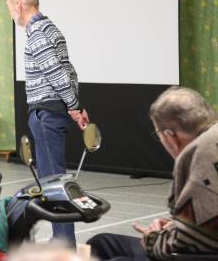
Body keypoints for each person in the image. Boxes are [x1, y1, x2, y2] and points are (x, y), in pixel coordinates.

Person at [88, 86, 218, 260]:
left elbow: (195, 242)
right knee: (103, 243)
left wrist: (153, 238)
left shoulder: (197, 155)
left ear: (170, 136)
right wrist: (175, 225)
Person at [6, 0, 89, 245]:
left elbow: (57, 74)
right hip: (53, 111)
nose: (11, 14)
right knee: (53, 182)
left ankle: (64, 247)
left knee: (55, 185)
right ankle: (61, 243)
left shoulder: (38, 33)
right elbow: (69, 71)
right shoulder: (49, 27)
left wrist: (74, 108)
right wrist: (75, 105)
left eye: (10, 8)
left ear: (19, 5)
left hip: (47, 114)